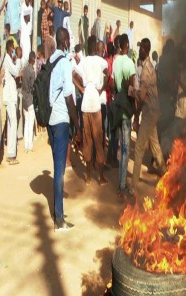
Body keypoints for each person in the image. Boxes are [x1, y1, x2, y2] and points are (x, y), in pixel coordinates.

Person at [49, 27, 81, 231]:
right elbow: (69, 97)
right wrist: (76, 122)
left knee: (57, 168)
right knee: (60, 172)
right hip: (62, 121)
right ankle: (59, 219)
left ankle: (57, 211)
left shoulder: (52, 62)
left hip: (53, 121)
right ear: (64, 42)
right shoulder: (64, 64)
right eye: (68, 40)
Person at [130, 38, 166, 193]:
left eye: (140, 49)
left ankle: (133, 187)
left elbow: (142, 96)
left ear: (145, 50)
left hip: (149, 112)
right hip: (154, 110)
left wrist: (130, 89)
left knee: (138, 148)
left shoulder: (145, 71)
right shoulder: (151, 66)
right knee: (155, 145)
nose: (139, 51)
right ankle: (166, 175)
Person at [73, 36, 108, 185]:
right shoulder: (102, 61)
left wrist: (81, 88)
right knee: (98, 139)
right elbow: (107, 74)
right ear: (96, 47)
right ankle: (100, 177)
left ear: (88, 47)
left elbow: (73, 75)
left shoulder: (84, 61)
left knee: (87, 140)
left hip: (86, 101)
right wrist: (102, 88)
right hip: (95, 101)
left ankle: (87, 177)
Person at [112, 34, 136, 198]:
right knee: (126, 148)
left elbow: (114, 85)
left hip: (117, 105)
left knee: (121, 146)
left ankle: (121, 182)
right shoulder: (129, 63)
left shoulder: (115, 62)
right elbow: (133, 88)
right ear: (126, 44)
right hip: (126, 108)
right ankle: (122, 185)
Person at [2, 39, 21, 165]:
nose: (14, 50)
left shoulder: (8, 60)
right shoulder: (8, 60)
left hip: (10, 96)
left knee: (11, 123)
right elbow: (16, 72)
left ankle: (10, 153)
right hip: (9, 96)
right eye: (13, 48)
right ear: (10, 48)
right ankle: (12, 155)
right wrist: (18, 59)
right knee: (13, 123)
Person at [22, 51, 36, 152]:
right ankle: (29, 145)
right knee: (30, 122)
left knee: (26, 122)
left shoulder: (24, 69)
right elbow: (32, 86)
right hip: (30, 98)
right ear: (33, 59)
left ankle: (26, 144)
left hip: (23, 97)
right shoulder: (32, 71)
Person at [20, 2, 33, 66]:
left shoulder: (31, 8)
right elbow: (26, 18)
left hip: (28, 35)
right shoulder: (22, 7)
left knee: (28, 52)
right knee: (24, 54)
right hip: (23, 35)